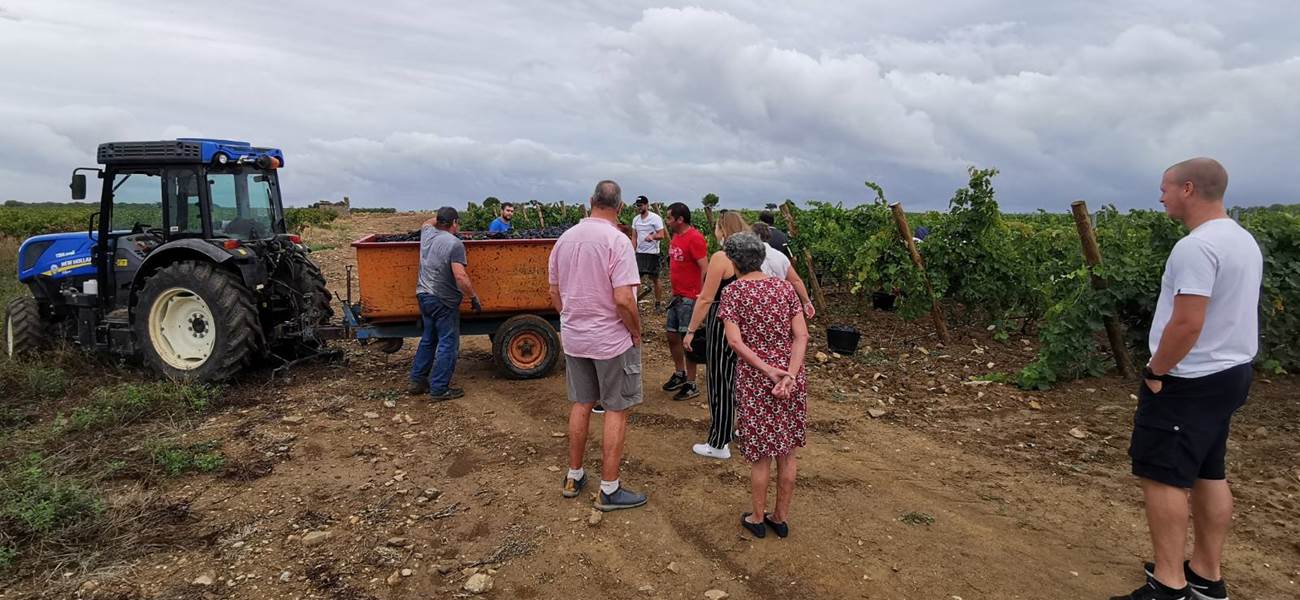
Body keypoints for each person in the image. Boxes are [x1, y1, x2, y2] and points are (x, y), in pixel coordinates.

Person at [1110, 158, 1261, 600]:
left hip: (1190, 378)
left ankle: (1169, 584)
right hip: (1231, 373)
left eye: (1166, 188)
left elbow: (1187, 323)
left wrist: (1156, 370)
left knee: (1164, 477)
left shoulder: (1196, 247)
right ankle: (1206, 575)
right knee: (1209, 472)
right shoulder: (1242, 240)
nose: (1160, 196)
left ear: (1189, 189)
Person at [548, 180, 648, 512]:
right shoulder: (617, 241)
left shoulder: (564, 240)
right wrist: (636, 332)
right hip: (610, 341)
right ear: (619, 208)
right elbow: (623, 299)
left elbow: (554, 291)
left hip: (575, 339)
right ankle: (609, 488)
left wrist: (571, 318)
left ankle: (574, 475)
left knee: (581, 403)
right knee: (616, 409)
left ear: (590, 201)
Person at [716, 232, 809, 539]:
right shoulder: (784, 288)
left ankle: (757, 517)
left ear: (734, 261)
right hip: (791, 377)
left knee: (760, 454)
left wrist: (769, 370)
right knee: (787, 452)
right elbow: (802, 336)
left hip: (757, 378)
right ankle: (780, 518)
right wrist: (790, 375)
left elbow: (734, 341)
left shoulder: (733, 293)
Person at [682, 211, 748, 459]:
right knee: (742, 379)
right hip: (746, 322)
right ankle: (744, 430)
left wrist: (690, 330)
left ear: (722, 229)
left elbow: (707, 298)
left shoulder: (722, 257)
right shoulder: (753, 256)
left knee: (720, 380)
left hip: (723, 323)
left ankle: (719, 442)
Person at [410, 207, 481, 401]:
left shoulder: (427, 234)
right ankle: (439, 388)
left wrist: (441, 218)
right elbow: (460, 276)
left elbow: (427, 222)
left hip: (423, 295)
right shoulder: (454, 243)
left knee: (428, 338)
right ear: (455, 223)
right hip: (443, 301)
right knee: (447, 344)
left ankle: (417, 380)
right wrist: (473, 297)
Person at [662, 202, 708, 401]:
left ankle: (691, 383)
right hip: (677, 296)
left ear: (680, 219)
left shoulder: (695, 238)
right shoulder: (675, 237)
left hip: (690, 297)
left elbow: (705, 269)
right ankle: (680, 373)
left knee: (688, 340)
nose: (667, 221)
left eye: (669, 218)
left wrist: (703, 296)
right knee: (672, 336)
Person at [752, 222, 815, 320]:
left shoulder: (749, 256)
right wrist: (806, 302)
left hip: (755, 302)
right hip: (779, 302)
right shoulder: (781, 256)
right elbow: (795, 281)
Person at [632, 195, 667, 311]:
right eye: (638, 206)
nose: (639, 208)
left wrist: (652, 236)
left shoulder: (655, 218)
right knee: (636, 279)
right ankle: (634, 303)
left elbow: (661, 235)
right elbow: (634, 237)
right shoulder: (636, 220)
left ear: (647, 205)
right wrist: (632, 251)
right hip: (640, 253)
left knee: (655, 278)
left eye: (641, 205)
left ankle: (657, 304)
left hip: (653, 253)